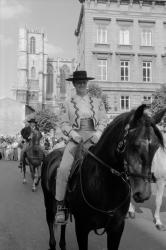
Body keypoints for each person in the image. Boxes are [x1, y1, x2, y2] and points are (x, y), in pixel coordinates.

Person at [55, 70, 108, 224]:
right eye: (78, 82)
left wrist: (98, 133)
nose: (81, 84)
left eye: (84, 82)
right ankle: (60, 206)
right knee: (63, 169)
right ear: (74, 84)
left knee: (115, 164)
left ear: (87, 83)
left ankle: (121, 202)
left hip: (95, 138)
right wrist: (73, 134)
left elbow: (104, 120)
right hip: (76, 139)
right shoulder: (67, 103)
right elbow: (63, 123)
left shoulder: (98, 101)